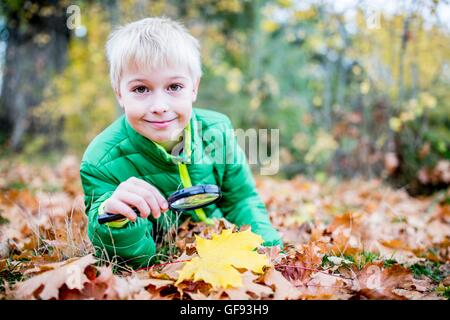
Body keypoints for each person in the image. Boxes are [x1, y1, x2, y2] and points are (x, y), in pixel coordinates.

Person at [79, 16, 283, 268]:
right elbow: (132, 258)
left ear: (194, 88)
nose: (159, 106)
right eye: (141, 89)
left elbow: (241, 200)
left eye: (174, 86)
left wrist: (269, 248)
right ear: (120, 94)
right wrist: (115, 218)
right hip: (165, 265)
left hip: (220, 248)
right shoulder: (100, 160)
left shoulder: (217, 130)